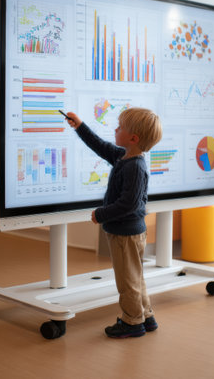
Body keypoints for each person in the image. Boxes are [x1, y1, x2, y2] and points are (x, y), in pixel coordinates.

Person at [65, 107, 163, 338]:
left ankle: (132, 322)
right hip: (129, 232)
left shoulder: (134, 167)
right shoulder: (123, 156)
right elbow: (99, 145)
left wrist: (101, 214)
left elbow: (128, 204)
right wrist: (80, 126)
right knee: (135, 276)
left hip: (125, 234)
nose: (115, 129)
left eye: (120, 127)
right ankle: (145, 316)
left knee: (127, 280)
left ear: (133, 138)